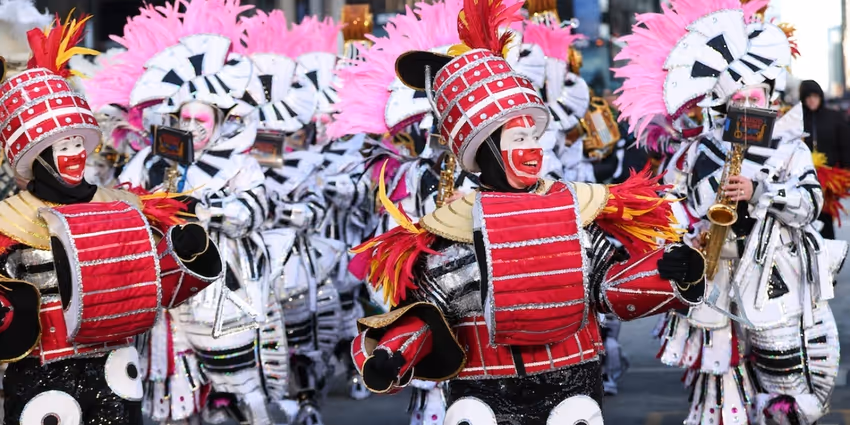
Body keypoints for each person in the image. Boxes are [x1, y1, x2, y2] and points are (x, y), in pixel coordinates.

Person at [347, 0, 706, 423]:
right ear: (484, 150)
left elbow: (606, 288)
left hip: (571, 383)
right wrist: (391, 354)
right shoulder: (451, 229)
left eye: (534, 135)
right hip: (481, 389)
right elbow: (432, 314)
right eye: (518, 137)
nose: (532, 149)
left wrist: (668, 271)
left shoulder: (576, 208)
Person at [613, 1, 847, 423]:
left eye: (755, 93)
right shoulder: (700, 149)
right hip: (716, 289)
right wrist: (682, 243)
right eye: (738, 95)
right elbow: (672, 211)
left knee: (786, 396)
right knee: (720, 402)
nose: (747, 102)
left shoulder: (791, 146)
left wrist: (759, 191)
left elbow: (811, 206)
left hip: (776, 288)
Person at [0, 14, 221, 425]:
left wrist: (186, 254)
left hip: (117, 370)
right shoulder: (7, 220)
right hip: (41, 377)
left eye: (76, 142)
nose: (74, 154)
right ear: (38, 157)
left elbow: (160, 289)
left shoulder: (123, 205)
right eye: (60, 145)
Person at [799, 79, 850, 238]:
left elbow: (846, 145)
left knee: (826, 216)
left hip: (829, 177)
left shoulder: (834, 117)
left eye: (815, 96)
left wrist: (846, 171)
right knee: (804, 216)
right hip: (803, 175)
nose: (812, 100)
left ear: (820, 96)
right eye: (808, 97)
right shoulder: (798, 119)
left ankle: (829, 253)